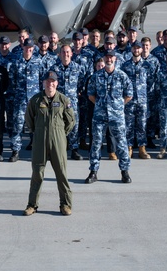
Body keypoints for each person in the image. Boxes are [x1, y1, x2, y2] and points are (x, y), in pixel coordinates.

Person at [24, 70, 75, 216]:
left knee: (61, 173)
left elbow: (71, 120)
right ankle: (32, 205)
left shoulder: (64, 100)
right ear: (43, 83)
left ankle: (65, 204)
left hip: (58, 140)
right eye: (47, 81)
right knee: (37, 173)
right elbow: (29, 119)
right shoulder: (35, 100)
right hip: (40, 140)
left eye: (53, 82)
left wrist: (60, 133)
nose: (50, 84)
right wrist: (38, 131)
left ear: (56, 83)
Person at [86, 50, 133, 184]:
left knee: (121, 143)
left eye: (111, 57)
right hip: (99, 115)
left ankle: (125, 172)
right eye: (107, 57)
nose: (109, 59)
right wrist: (101, 105)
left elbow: (129, 94)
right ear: (104, 58)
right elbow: (90, 94)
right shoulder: (96, 76)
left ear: (115, 59)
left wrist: (117, 105)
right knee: (96, 143)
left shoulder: (122, 76)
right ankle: (93, 171)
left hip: (116, 115)